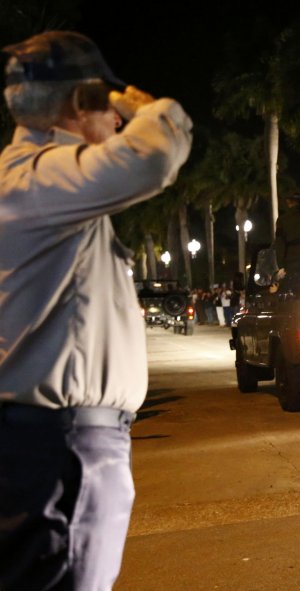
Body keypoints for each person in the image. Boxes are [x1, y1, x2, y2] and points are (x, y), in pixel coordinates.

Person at [0, 31, 193, 590]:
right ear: (83, 103)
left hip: (51, 440)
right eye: (110, 108)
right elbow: (153, 157)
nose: (118, 122)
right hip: (60, 445)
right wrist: (147, 107)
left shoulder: (33, 184)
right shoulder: (42, 177)